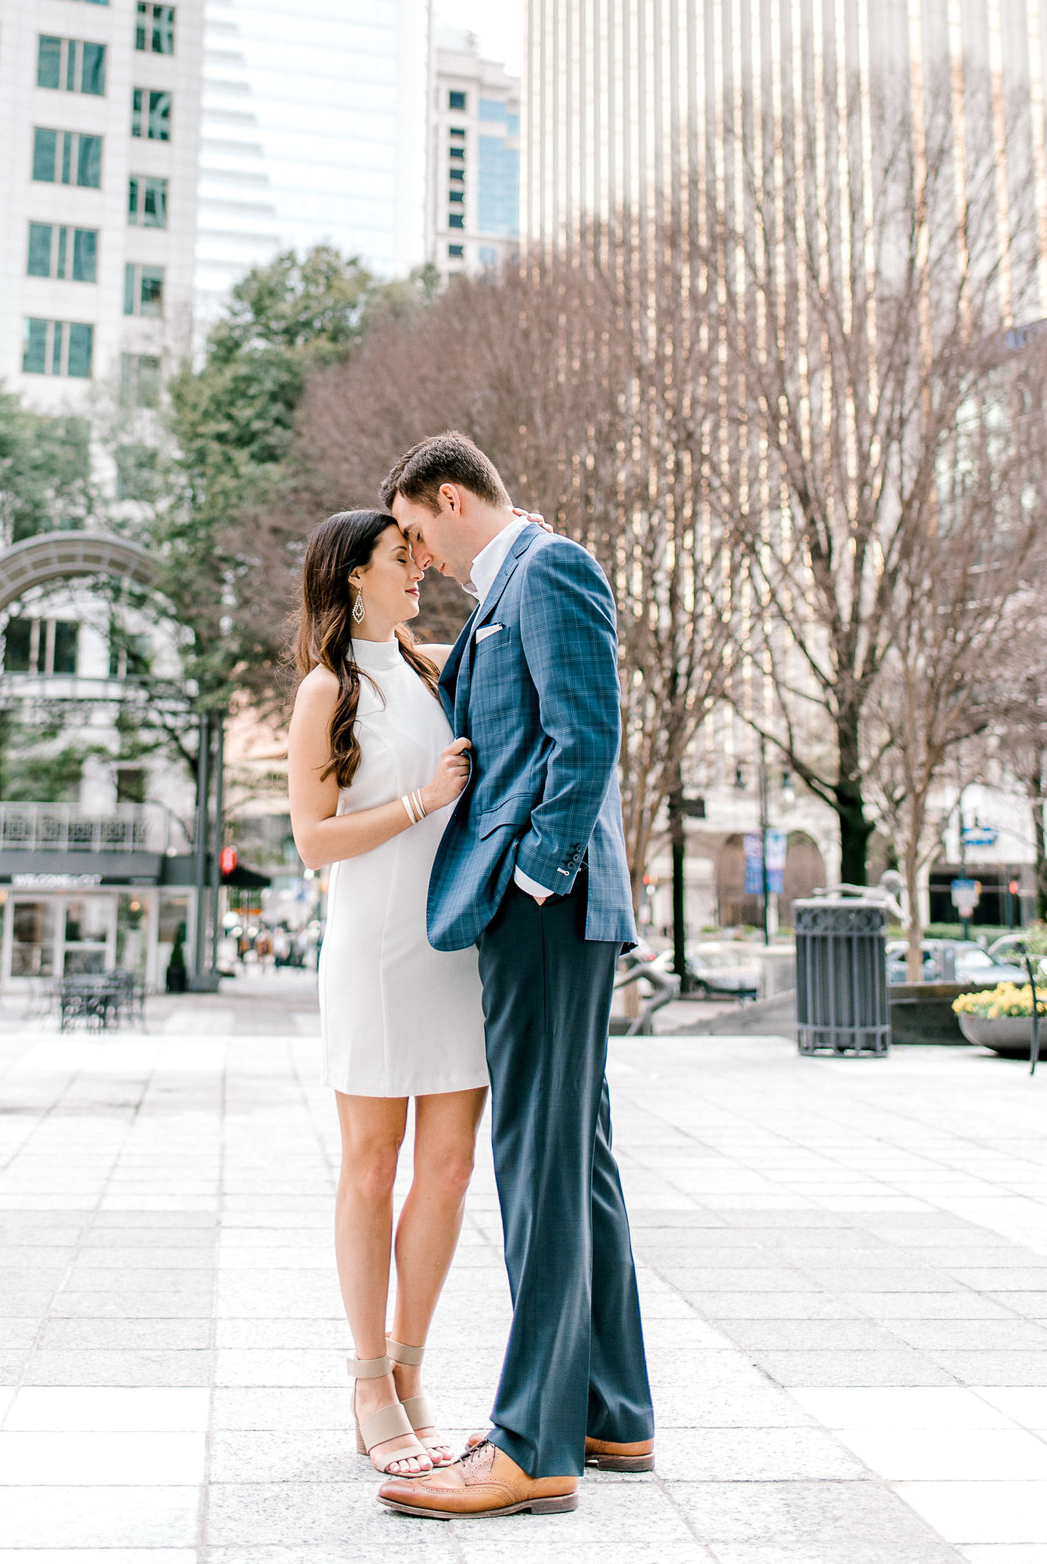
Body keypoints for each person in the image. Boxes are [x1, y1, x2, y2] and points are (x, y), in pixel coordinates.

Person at [374, 432, 654, 1524]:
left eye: (416, 531)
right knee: (575, 1160)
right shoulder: (505, 596)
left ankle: (532, 1444)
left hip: (552, 911)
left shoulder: (550, 570)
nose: (419, 553)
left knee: (537, 1165)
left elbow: (587, 740)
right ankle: (610, 1411)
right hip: (549, 911)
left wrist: (534, 879)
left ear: (452, 498)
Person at [287, 508, 490, 1480]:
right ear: (353, 576)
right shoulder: (326, 690)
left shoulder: (430, 670)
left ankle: (411, 1369)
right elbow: (313, 840)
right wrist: (418, 802)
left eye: (417, 557)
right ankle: (367, 1379)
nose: (418, 571)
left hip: (452, 947)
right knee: (371, 1167)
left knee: (448, 1172)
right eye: (399, 560)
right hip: (372, 950)